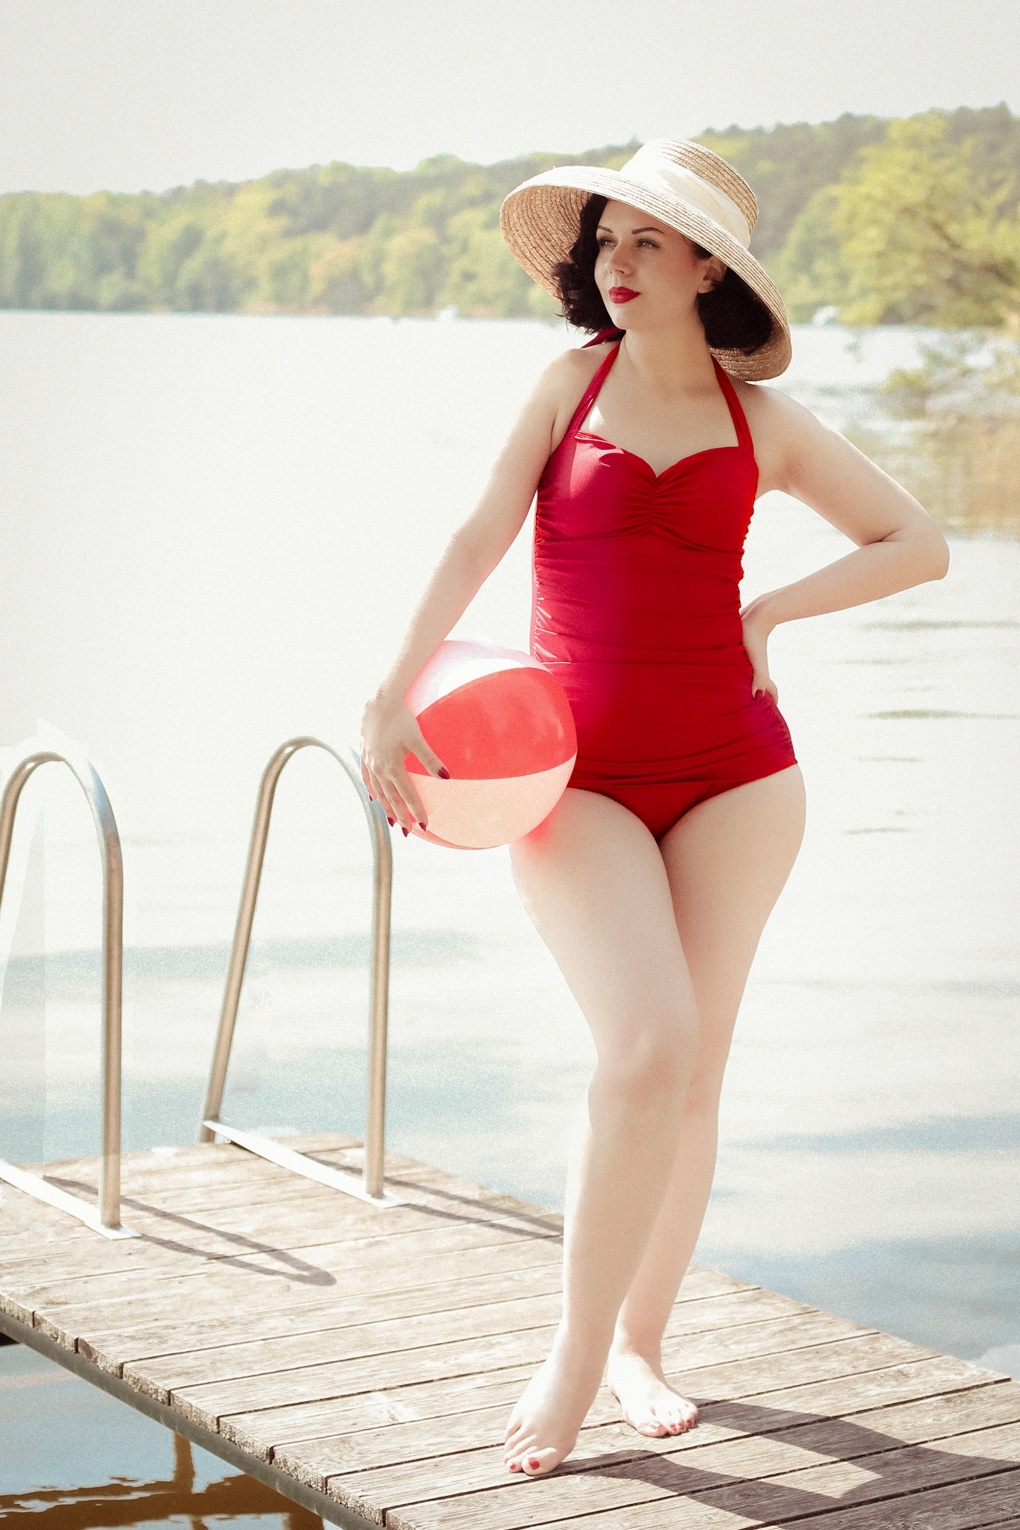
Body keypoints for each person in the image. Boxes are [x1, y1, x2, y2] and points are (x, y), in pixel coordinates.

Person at [359, 140, 949, 1478]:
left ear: (703, 268)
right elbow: (473, 537)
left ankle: (641, 1342)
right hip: (583, 780)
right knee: (644, 1047)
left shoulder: (766, 424)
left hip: (742, 774)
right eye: (603, 246)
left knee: (695, 1075)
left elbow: (919, 540)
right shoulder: (568, 389)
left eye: (643, 246)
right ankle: (573, 1353)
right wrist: (391, 688)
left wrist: (771, 608)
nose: (613, 270)